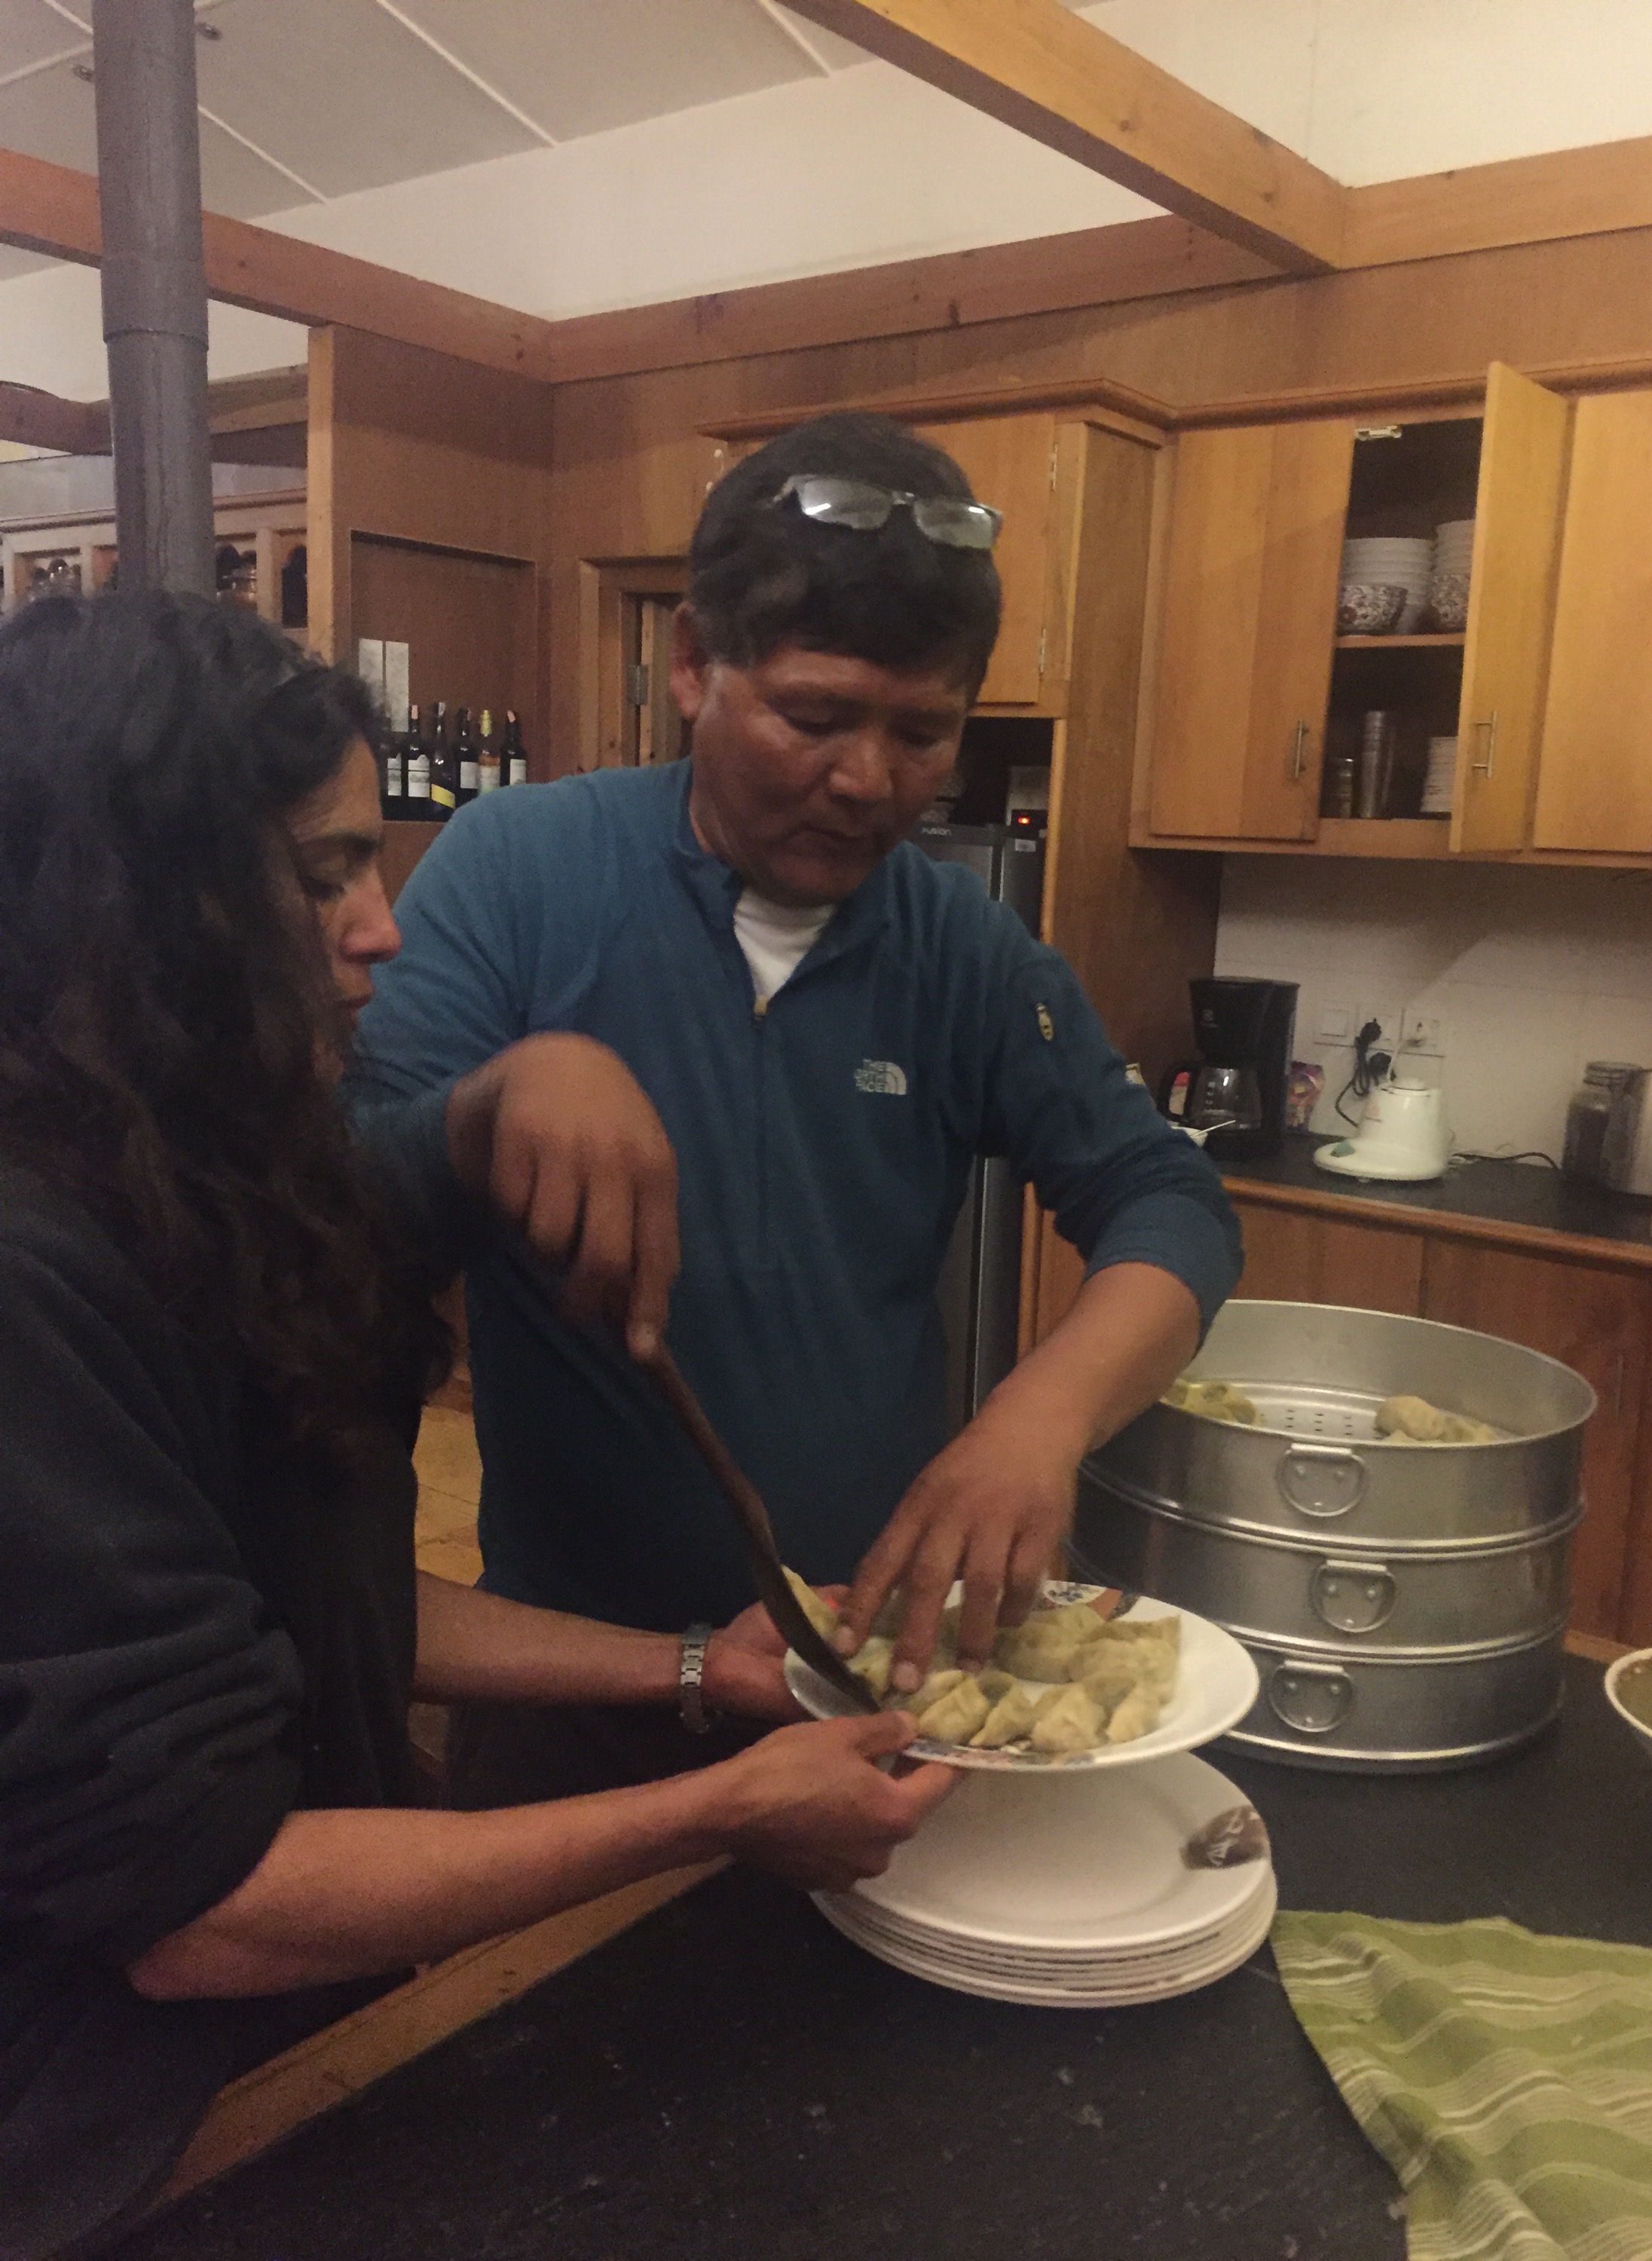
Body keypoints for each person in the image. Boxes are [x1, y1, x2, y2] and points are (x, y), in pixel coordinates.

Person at [0, 592, 952, 2261]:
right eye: (324, 876)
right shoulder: (28, 1278)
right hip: (122, 2148)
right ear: (129, 902)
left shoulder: (183, 1177)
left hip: (307, 2042)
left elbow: (316, 1600)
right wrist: (718, 1812)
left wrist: (694, 1668)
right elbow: (202, 1909)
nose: (381, 928)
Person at [352, 410, 1242, 1811]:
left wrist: (1038, 1420)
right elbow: (341, 1191)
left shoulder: (961, 947)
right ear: (692, 664)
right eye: (814, 718)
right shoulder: (517, 868)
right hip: (576, 1687)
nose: (866, 780)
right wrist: (490, 1105)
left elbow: (1168, 1202)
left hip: (871, 1684)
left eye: (923, 732)